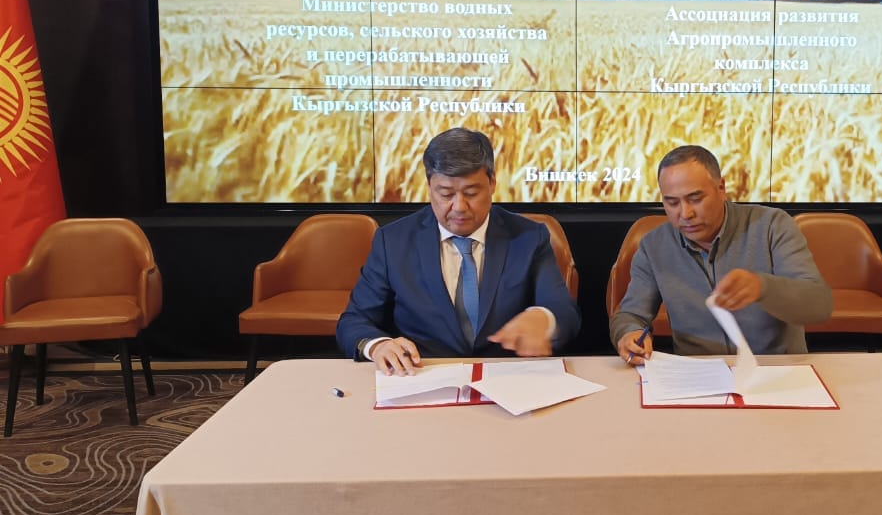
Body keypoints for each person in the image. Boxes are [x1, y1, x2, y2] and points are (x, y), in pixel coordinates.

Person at [336, 128, 580, 374]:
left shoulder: (529, 237)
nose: (459, 206)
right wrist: (378, 346)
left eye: (471, 193)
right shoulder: (394, 241)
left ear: (492, 183)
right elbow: (355, 320)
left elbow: (565, 312)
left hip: (507, 376)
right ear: (429, 186)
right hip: (423, 375)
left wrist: (544, 319)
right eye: (446, 194)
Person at [609, 145, 832, 364]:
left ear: (721, 188)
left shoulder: (772, 226)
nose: (685, 213)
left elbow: (818, 305)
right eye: (672, 202)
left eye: (695, 198)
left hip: (775, 368)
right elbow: (630, 314)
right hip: (699, 372)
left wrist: (762, 287)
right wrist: (629, 333)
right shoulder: (654, 246)